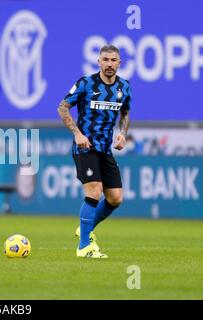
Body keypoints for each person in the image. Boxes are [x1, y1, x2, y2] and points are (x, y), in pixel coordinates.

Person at [57, 44, 131, 259]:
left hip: (105, 150)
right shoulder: (86, 83)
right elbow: (62, 107)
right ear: (98, 62)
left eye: (113, 60)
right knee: (94, 190)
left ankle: (85, 229)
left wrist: (122, 134)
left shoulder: (124, 87)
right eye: (105, 60)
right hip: (85, 147)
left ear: (119, 63)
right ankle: (84, 247)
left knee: (115, 198)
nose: (109, 64)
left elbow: (125, 112)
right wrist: (77, 134)